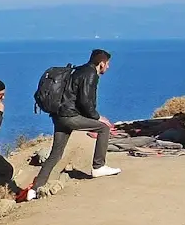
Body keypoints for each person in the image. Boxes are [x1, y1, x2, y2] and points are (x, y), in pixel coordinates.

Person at [32, 49, 121, 195]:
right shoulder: (91, 74)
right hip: (70, 117)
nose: (108, 67)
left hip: (58, 116)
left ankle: (35, 188)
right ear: (102, 63)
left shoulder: (77, 70)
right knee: (104, 128)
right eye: (108, 64)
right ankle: (99, 166)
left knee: (56, 153)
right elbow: (85, 101)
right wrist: (98, 117)